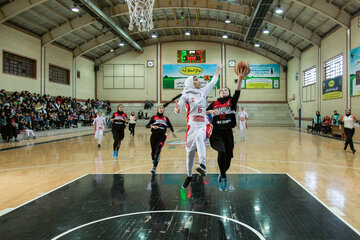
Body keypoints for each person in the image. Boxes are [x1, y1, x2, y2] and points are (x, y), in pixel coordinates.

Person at [173, 63, 221, 189]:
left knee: (200, 138)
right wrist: (177, 109)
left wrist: (218, 69)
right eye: (195, 80)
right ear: (189, 82)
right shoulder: (186, 95)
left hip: (203, 124)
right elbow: (179, 107)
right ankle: (189, 176)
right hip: (191, 126)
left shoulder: (202, 92)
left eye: (198, 79)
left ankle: (203, 164)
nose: (198, 81)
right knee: (189, 154)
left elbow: (213, 82)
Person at [207, 66, 249, 191]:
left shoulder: (231, 102)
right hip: (216, 133)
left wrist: (240, 79)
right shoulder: (214, 103)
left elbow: (237, 93)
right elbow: (203, 112)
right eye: (222, 90)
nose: (224, 91)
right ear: (219, 93)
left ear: (228, 93)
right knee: (222, 151)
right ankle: (224, 178)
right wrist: (209, 111)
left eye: (226, 90)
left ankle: (223, 173)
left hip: (228, 133)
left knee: (228, 158)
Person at [146, 105, 176, 175]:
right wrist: (152, 126)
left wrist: (173, 132)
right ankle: (154, 160)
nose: (161, 109)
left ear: (164, 110)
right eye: (160, 108)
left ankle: (154, 168)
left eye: (162, 108)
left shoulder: (165, 118)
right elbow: (147, 125)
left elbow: (170, 125)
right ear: (157, 109)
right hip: (154, 136)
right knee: (153, 152)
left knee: (158, 151)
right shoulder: (154, 117)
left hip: (161, 137)